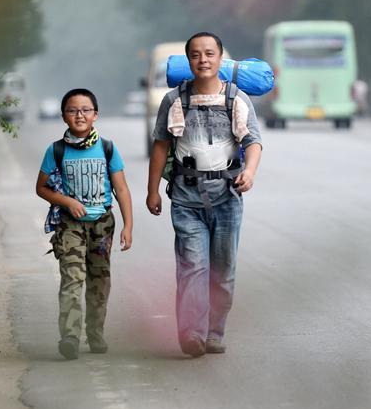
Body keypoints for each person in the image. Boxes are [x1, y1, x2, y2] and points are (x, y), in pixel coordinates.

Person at [146, 32, 262, 357]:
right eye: (196, 55)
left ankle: (214, 331)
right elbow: (160, 146)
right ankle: (192, 333)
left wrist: (249, 172)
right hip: (185, 197)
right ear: (188, 61)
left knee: (222, 270)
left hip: (227, 197)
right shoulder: (174, 100)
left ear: (220, 59)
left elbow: (253, 141)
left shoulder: (237, 99)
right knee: (192, 266)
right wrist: (152, 190)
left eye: (209, 54)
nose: (203, 60)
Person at [36, 88, 133, 360]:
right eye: (72, 110)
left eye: (85, 110)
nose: (79, 115)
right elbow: (41, 187)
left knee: (99, 280)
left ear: (95, 115)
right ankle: (69, 336)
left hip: (102, 225)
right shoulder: (55, 150)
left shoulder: (107, 148)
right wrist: (67, 201)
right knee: (72, 277)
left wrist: (128, 226)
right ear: (64, 116)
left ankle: (95, 332)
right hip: (70, 226)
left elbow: (122, 190)